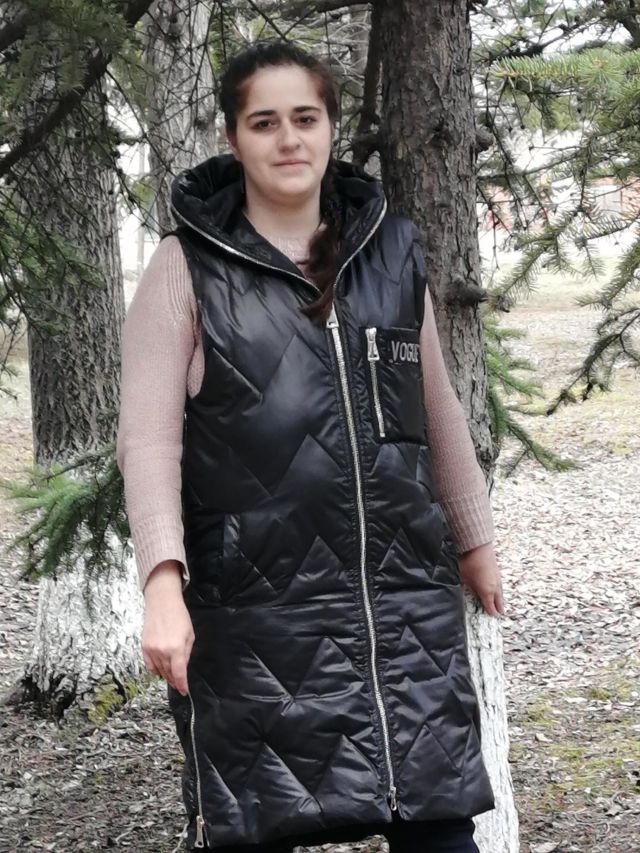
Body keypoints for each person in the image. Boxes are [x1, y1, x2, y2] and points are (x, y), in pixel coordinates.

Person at [116, 40, 504, 853]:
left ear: (331, 127)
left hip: (401, 608)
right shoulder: (185, 268)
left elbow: (435, 407)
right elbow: (147, 442)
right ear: (232, 139)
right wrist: (162, 585)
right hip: (254, 619)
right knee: (254, 826)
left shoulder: (391, 251)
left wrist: (475, 543)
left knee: (440, 828)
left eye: (305, 118)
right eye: (265, 122)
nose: (288, 139)